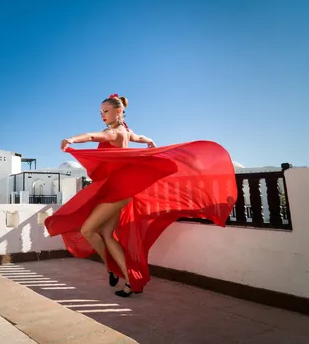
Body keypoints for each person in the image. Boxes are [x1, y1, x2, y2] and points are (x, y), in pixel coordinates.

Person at [45, 94, 237, 297]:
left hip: (117, 191)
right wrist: (150, 140)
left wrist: (71, 140)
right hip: (119, 191)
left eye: (106, 111)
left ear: (118, 111)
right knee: (108, 235)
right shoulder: (126, 131)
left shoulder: (112, 133)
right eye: (100, 112)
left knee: (87, 230)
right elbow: (139, 138)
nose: (102, 115)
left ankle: (111, 267)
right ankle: (129, 281)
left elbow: (93, 137)